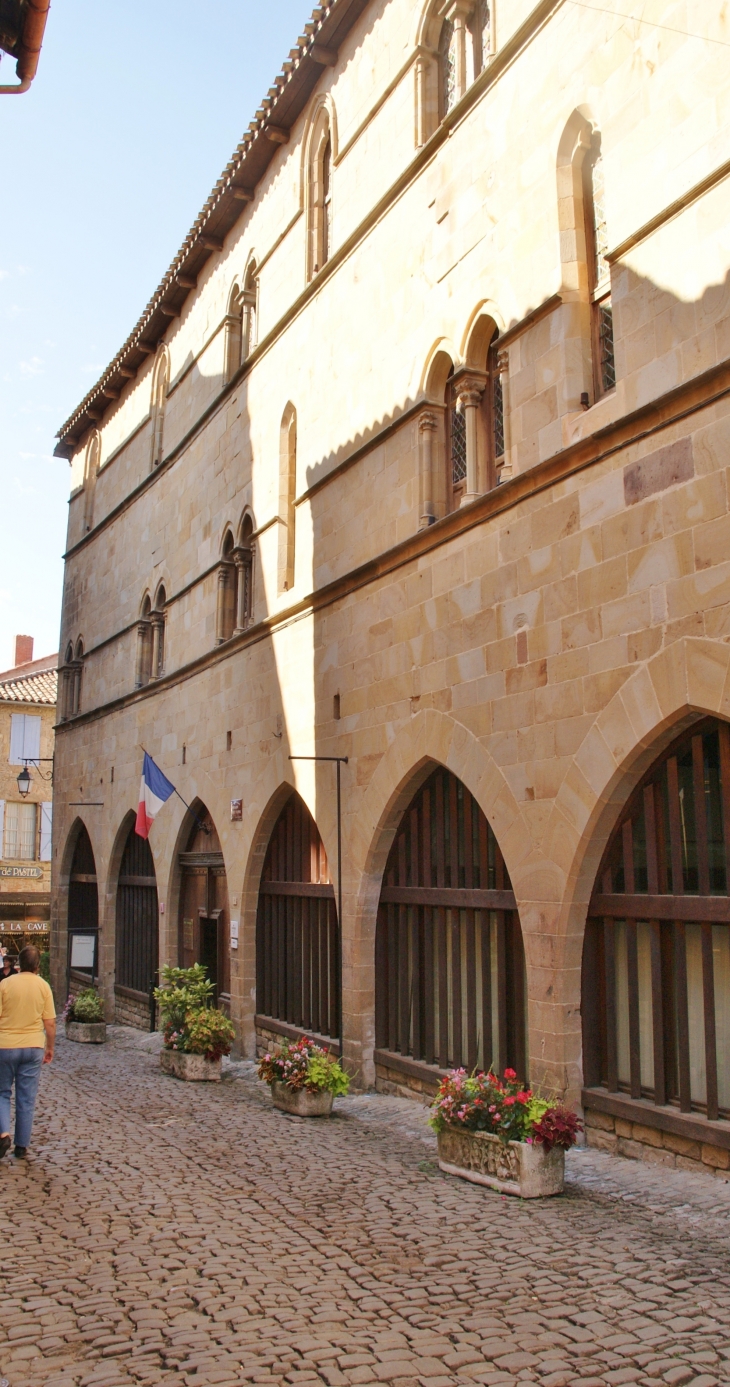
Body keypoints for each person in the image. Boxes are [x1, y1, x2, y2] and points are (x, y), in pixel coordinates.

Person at [0, 944, 55, 1160]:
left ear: (19, 964)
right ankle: (21, 1145)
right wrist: (49, 1047)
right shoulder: (43, 986)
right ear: (37, 965)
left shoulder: (5, 985)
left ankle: (4, 1132)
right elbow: (49, 1023)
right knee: (26, 1097)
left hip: (5, 1045)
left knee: (2, 1092)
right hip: (33, 1046)